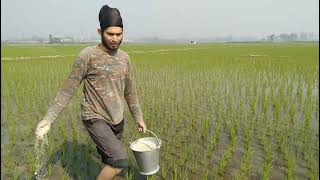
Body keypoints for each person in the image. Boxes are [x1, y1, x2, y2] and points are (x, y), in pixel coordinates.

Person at [35, 4, 146, 180]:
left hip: (117, 119)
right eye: (110, 34)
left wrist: (138, 118)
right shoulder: (88, 55)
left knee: (110, 159)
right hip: (94, 116)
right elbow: (67, 89)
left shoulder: (125, 59)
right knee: (120, 160)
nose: (115, 38)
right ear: (99, 31)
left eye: (119, 34)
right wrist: (49, 119)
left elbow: (130, 92)